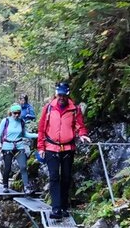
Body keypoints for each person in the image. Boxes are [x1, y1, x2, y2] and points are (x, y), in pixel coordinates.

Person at [37, 82, 91, 219]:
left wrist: (83, 134)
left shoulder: (74, 109)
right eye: (59, 94)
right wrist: (41, 147)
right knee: (54, 177)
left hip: (68, 148)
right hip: (51, 147)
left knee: (66, 178)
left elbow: (80, 125)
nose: (61, 97)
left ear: (67, 95)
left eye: (63, 95)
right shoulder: (48, 108)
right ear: (56, 94)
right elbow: (42, 128)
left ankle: (64, 207)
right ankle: (56, 209)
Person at [0, 104, 38, 195]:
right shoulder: (5, 121)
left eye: (18, 113)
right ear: (11, 112)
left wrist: (38, 135)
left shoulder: (21, 121)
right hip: (7, 147)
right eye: (15, 113)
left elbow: (25, 134)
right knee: (7, 167)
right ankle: (5, 185)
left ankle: (26, 187)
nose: (17, 115)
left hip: (19, 146)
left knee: (23, 167)